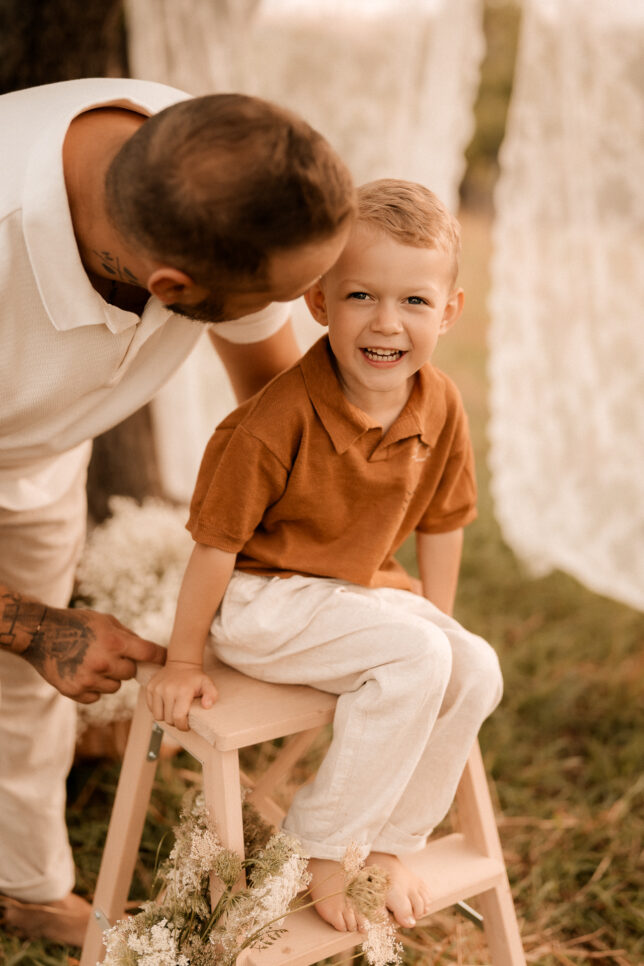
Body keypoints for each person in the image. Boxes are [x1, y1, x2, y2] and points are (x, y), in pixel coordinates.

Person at [0, 76, 355, 946]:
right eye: (280, 297)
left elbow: (273, 402)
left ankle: (24, 887)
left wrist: (333, 550)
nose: (298, 310)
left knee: (21, 688)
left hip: (34, 460)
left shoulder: (220, 178)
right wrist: (36, 625)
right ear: (171, 283)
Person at [146, 178, 504, 934]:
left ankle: (391, 843)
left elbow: (444, 521)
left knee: (473, 665)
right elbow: (215, 547)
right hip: (260, 601)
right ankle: (321, 849)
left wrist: (438, 627)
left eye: (414, 301)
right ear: (318, 302)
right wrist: (182, 660)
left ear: (449, 311)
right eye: (360, 295)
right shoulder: (276, 419)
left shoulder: (439, 402)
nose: (387, 322)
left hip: (350, 593)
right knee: (416, 657)